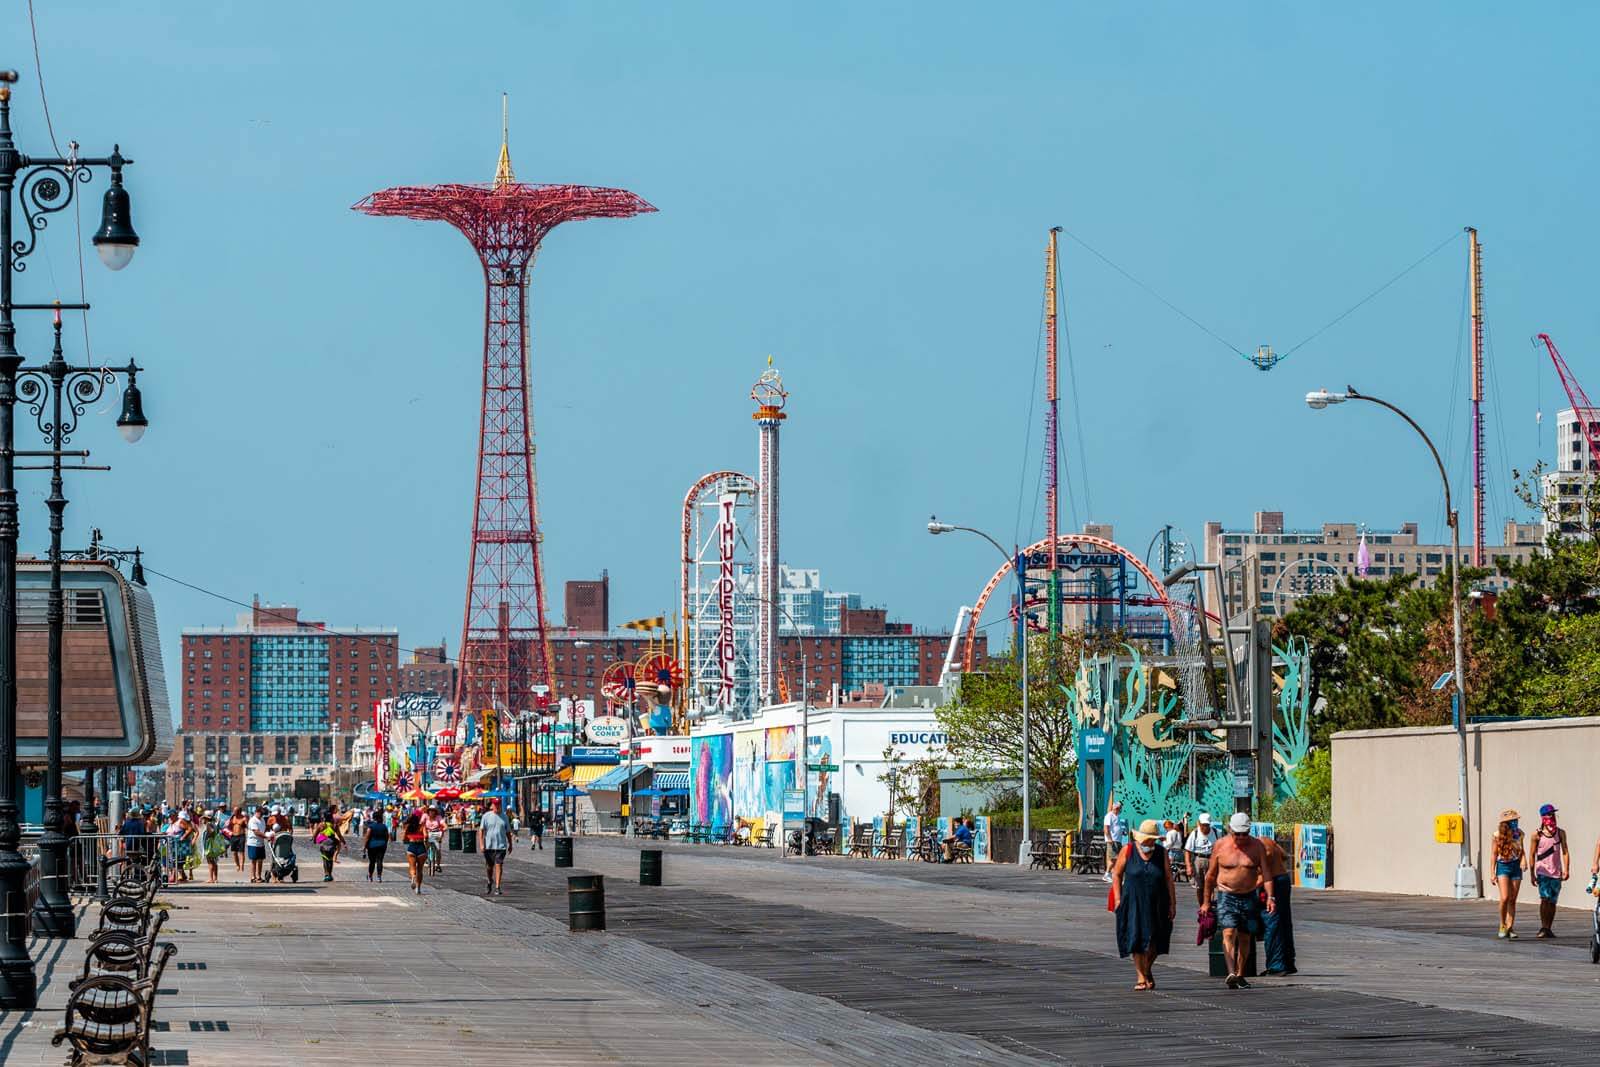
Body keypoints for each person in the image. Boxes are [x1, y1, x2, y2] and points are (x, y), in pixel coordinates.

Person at [1202, 811, 1273, 989]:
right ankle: (1231, 971)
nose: (1241, 838)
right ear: (1230, 830)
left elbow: (1266, 874)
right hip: (1226, 894)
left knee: (1245, 937)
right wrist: (1205, 901)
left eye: (1244, 834)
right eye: (1237, 834)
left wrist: (1271, 897)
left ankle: (1240, 974)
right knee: (1228, 932)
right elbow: (1210, 876)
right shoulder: (1220, 845)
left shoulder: (1257, 847)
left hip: (1249, 895)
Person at [1113, 819, 1176, 991]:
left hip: (1158, 901)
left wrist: (1172, 903)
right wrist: (1118, 899)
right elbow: (1116, 874)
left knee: (1157, 938)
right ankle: (1141, 976)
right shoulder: (1128, 850)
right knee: (1136, 937)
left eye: (1153, 839)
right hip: (1133, 901)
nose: (1150, 842)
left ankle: (1146, 969)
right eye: (1148, 839)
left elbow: (1169, 879)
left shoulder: (1161, 853)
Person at [1529, 803, 1570, 938]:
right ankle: (1544, 926)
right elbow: (1532, 854)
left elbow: (1565, 851)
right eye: (1548, 815)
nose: (1551, 817)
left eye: (1553, 814)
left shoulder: (1560, 833)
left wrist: (1566, 869)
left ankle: (1549, 928)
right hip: (1543, 871)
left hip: (1556, 872)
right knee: (1544, 899)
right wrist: (1532, 874)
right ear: (1542, 818)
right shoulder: (1537, 834)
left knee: (1552, 901)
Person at [1260, 833, 1296, 975]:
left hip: (1273, 881)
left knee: (1272, 920)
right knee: (1285, 921)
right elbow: (1285, 856)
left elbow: (1263, 871)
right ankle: (1288, 962)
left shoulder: (1257, 848)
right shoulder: (1268, 841)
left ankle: (1276, 965)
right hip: (1283, 878)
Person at [1492, 809, 1525, 939]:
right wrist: (1492, 872)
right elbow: (1494, 854)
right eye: (1512, 821)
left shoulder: (1520, 834)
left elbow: (1522, 850)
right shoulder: (1497, 835)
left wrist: (1524, 860)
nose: (1515, 822)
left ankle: (1510, 927)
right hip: (1503, 866)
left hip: (1516, 866)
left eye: (1516, 820)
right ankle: (1502, 923)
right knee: (1505, 897)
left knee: (1513, 899)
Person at [1184, 813, 1219, 907]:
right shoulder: (1195, 833)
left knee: (1210, 885)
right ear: (1199, 823)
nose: (1205, 827)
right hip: (1198, 860)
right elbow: (1187, 851)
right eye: (1203, 825)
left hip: (1212, 860)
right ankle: (1201, 906)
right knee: (1199, 887)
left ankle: (1209, 906)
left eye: (1207, 825)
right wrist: (1188, 866)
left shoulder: (1216, 832)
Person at [480, 800, 511, 895]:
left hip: (501, 846)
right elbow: (481, 831)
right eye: (495, 804)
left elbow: (508, 832)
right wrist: (481, 844)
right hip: (489, 846)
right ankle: (490, 881)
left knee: (499, 864)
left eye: (498, 804)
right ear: (492, 806)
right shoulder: (486, 816)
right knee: (489, 867)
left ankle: (498, 887)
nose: (497, 806)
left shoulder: (504, 817)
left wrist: (510, 844)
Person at [402, 811, 428, 894]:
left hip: (412, 847)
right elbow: (426, 836)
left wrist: (409, 838)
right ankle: (418, 888)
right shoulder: (422, 826)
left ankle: (413, 877)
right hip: (421, 847)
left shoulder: (408, 827)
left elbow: (404, 839)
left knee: (412, 867)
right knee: (420, 869)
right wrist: (425, 842)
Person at [1102, 801, 1128, 882]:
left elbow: (1117, 827)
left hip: (1118, 840)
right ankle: (1107, 874)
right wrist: (1109, 839)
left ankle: (1113, 874)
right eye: (1120, 808)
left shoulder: (1117, 816)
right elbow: (1106, 828)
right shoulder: (1109, 816)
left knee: (1116, 858)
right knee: (1114, 858)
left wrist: (1123, 832)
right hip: (1113, 840)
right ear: (1117, 808)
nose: (1121, 810)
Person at [363, 807, 390, 882]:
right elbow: (387, 836)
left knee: (372, 862)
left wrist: (365, 847)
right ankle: (379, 877)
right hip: (382, 846)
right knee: (380, 861)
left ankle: (370, 876)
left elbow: (367, 837)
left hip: (372, 846)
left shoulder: (371, 826)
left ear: (374, 818)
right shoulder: (384, 826)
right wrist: (384, 843)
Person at [313, 809, 341, 882]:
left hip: (323, 844)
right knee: (330, 860)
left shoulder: (321, 825)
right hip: (332, 844)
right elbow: (339, 835)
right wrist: (343, 842)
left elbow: (315, 834)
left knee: (325, 860)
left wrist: (314, 840)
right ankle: (330, 874)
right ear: (331, 818)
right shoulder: (334, 825)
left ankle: (326, 874)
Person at [200, 814, 227, 885]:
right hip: (214, 845)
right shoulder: (213, 824)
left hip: (210, 845)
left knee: (210, 862)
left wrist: (208, 834)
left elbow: (211, 832)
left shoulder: (208, 824)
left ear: (206, 819)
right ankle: (215, 878)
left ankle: (211, 878)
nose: (202, 820)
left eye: (203, 818)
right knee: (214, 862)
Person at [246, 805, 268, 884]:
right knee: (254, 860)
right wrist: (266, 836)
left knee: (260, 860)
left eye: (262, 814)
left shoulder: (262, 819)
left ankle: (259, 876)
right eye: (261, 814)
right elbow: (256, 832)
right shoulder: (253, 820)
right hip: (253, 842)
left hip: (261, 843)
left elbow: (264, 829)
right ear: (257, 812)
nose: (262, 815)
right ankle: (253, 877)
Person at [425, 805, 447, 874]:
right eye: (430, 810)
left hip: (436, 833)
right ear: (428, 811)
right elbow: (422, 825)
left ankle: (438, 865)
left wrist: (444, 829)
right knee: (425, 847)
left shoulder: (439, 817)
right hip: (428, 833)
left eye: (433, 810)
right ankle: (426, 858)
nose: (432, 812)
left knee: (438, 849)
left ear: (435, 811)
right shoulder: (426, 818)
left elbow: (444, 825)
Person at [227, 808, 248, 872]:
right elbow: (228, 826)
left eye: (235, 811)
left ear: (239, 811)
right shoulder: (232, 817)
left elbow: (247, 826)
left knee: (241, 852)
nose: (234, 812)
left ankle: (242, 866)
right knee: (234, 852)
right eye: (234, 811)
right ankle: (237, 865)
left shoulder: (243, 818)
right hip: (233, 836)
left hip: (241, 836)